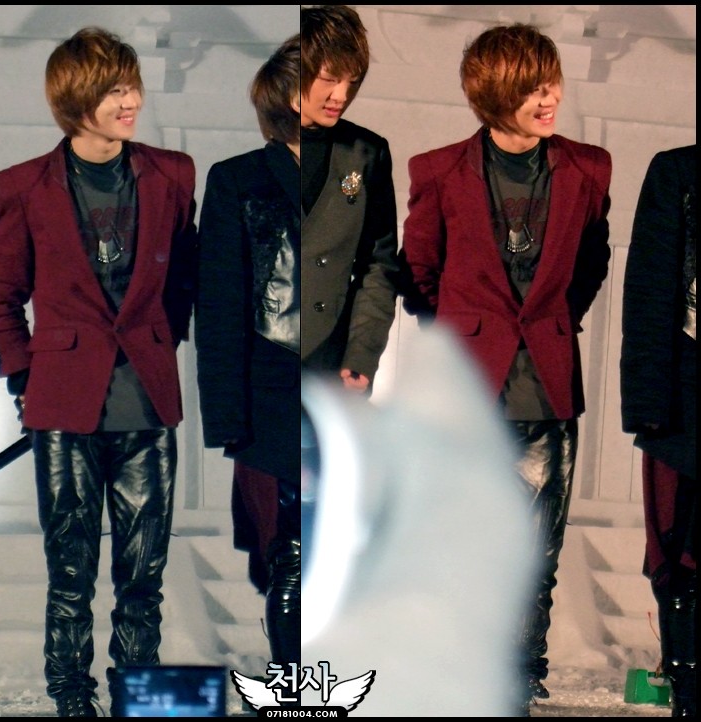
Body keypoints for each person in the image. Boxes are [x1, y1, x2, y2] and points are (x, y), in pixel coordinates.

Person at [0, 27, 196, 718]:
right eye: (114, 90)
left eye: (133, 86)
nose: (131, 101)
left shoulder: (172, 175)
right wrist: (24, 378)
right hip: (64, 409)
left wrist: (159, 344)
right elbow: (1, 296)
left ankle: (137, 698)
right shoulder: (23, 187)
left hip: (147, 407)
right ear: (77, 102)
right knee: (70, 578)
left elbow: (184, 278)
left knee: (143, 579)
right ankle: (72, 699)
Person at [401, 23, 611, 716]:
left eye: (552, 83)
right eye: (531, 88)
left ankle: (516, 684)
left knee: (535, 558)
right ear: (495, 95)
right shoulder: (438, 171)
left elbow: (592, 261)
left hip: (547, 388)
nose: (549, 98)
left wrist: (549, 324)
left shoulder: (589, 169)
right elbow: (419, 270)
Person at [195, 35, 301, 669]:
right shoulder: (236, 179)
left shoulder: (355, 170)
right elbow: (218, 305)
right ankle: (291, 689)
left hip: (335, 400)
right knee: (285, 556)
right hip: (267, 401)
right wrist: (229, 419)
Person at [620, 145, 696, 718]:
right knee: (679, 557)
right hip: (683, 400)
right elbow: (648, 290)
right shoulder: (678, 172)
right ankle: (687, 691)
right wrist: (646, 406)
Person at [300, 5, 399, 394]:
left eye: (352, 82)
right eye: (329, 79)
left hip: (334, 369)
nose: (341, 95)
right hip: (265, 371)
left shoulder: (367, 152)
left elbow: (379, 266)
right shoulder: (254, 153)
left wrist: (361, 356)